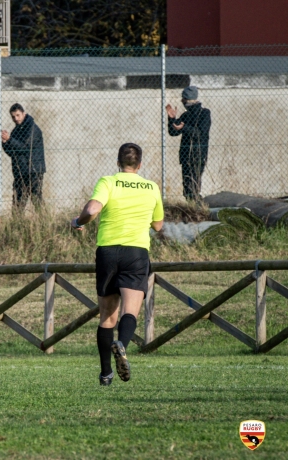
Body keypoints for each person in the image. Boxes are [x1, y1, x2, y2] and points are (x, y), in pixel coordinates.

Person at [71, 143, 163, 386]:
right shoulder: (151, 187)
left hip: (108, 251)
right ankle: (122, 343)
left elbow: (92, 209)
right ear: (140, 164)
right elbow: (158, 225)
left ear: (118, 162)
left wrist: (78, 221)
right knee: (130, 311)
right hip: (137, 252)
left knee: (107, 317)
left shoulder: (109, 181)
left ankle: (105, 374)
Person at [166, 86, 212, 202]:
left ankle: (197, 207)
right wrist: (172, 119)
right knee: (187, 186)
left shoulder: (204, 113)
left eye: (184, 99)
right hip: (186, 155)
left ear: (190, 100)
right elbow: (173, 132)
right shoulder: (186, 115)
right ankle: (191, 206)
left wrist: (185, 127)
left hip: (198, 155)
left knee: (194, 185)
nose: (182, 101)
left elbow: (201, 133)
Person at [0, 103, 45, 213]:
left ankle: (44, 222)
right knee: (17, 203)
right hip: (20, 171)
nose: (16, 118)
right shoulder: (16, 130)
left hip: (33, 171)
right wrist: (5, 142)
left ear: (24, 114)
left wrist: (9, 139)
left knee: (36, 199)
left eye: (18, 115)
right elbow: (12, 152)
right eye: (13, 116)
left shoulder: (32, 128)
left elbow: (25, 148)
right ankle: (17, 225)